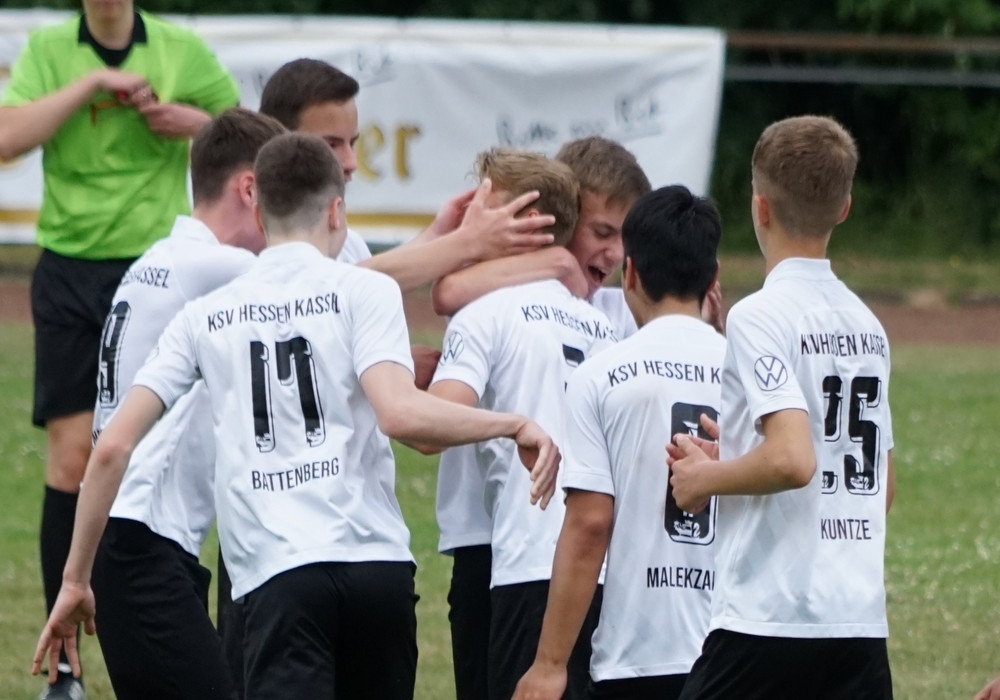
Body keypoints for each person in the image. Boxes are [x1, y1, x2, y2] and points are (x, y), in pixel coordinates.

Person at [33, 132, 561, 700]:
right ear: (336, 211)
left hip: (279, 577)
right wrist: (511, 424)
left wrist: (75, 579)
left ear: (259, 214)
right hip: (377, 571)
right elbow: (401, 413)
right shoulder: (367, 291)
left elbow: (112, 448)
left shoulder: (205, 315)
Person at [0, 3, 238, 696]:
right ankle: (65, 666)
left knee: (167, 460)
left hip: (156, 272)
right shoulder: (49, 49)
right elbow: (8, 138)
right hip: (71, 268)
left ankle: (180, 617)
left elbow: (252, 142)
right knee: (74, 458)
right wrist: (91, 86)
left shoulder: (181, 49)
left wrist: (188, 122)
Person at [666, 115, 896, 700]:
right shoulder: (867, 325)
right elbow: (880, 485)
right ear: (845, 209)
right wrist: (741, 457)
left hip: (772, 614)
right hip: (856, 619)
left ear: (759, 206)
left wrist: (704, 478)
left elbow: (793, 460)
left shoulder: (759, 316)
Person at [431, 135, 652, 700]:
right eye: (601, 232)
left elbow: (448, 292)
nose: (614, 254)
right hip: (502, 539)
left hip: (536, 544)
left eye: (624, 239)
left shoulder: (609, 312)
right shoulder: (594, 316)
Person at [86, 107, 282, 700]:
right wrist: (463, 245)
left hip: (133, 538)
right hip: (140, 540)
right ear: (249, 189)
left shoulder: (161, 260)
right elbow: (336, 288)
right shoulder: (215, 267)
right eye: (281, 201)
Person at [511, 184, 725, 700]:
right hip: (734, 652)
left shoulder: (602, 374)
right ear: (713, 278)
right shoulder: (753, 374)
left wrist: (549, 664)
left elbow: (589, 523)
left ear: (630, 273)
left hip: (638, 654)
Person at [259, 57, 556, 290]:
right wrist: (468, 243)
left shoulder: (348, 242)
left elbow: (364, 277)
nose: (351, 162)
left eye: (353, 143)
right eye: (331, 145)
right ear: (279, 140)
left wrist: (438, 234)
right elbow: (336, 290)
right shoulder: (257, 240)